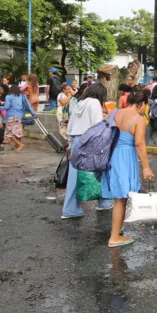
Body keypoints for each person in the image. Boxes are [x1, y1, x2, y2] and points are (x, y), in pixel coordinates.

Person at [102, 91, 155, 248]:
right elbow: (139, 144)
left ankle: (118, 229)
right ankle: (114, 237)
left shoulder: (115, 112)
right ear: (143, 104)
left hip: (112, 155)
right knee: (121, 199)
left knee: (119, 196)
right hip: (125, 158)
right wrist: (146, 167)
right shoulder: (138, 120)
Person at [62, 84, 115, 219]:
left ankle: (70, 208)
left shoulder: (80, 102)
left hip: (78, 141)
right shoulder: (95, 103)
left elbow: (71, 125)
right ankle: (104, 202)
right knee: (100, 170)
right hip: (91, 141)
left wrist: (71, 143)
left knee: (75, 177)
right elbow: (97, 125)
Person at [0, 85, 31, 152]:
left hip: (11, 117)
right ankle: (17, 147)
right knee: (18, 132)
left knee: (9, 133)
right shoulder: (22, 96)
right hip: (19, 116)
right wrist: (33, 113)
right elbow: (28, 105)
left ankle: (19, 144)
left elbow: (7, 107)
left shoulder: (8, 97)